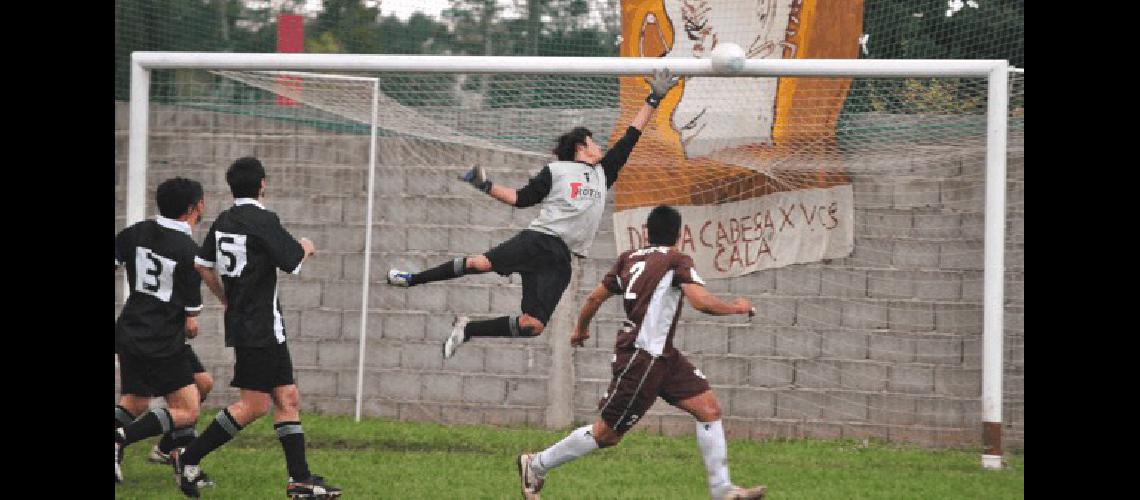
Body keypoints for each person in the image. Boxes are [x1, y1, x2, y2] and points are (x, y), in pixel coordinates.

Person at [387, 69, 682, 360]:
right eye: (595, 142)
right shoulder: (556, 171)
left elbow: (631, 137)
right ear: (582, 146)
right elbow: (520, 199)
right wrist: (484, 185)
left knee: (533, 326)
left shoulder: (604, 174)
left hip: (561, 259)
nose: (600, 146)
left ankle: (468, 329)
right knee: (479, 264)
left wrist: (654, 98)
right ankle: (411, 278)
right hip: (541, 240)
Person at [516, 205, 767, 500]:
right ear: (681, 234)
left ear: (647, 233)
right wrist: (736, 307)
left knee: (708, 409)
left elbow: (595, 296)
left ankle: (723, 490)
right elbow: (700, 302)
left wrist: (580, 329)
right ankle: (536, 464)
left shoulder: (629, 259)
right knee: (607, 434)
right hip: (643, 357)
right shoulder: (676, 260)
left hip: (664, 357)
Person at [173, 157, 341, 499]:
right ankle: (188, 458)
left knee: (287, 396)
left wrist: (225, 297)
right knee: (254, 405)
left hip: (257, 325)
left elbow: (203, 265)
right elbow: (292, 259)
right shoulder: (262, 219)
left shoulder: (223, 220)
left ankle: (300, 480)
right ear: (262, 184)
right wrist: (307, 247)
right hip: (260, 327)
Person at [114, 177, 210, 485]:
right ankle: (121, 440)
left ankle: (170, 449)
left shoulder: (134, 233)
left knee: (144, 398)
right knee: (187, 409)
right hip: (161, 339)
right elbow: (192, 315)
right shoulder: (189, 252)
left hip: (131, 330)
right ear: (195, 208)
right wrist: (188, 321)